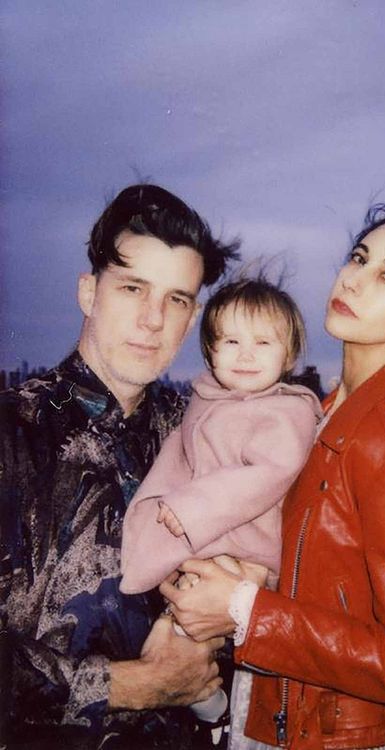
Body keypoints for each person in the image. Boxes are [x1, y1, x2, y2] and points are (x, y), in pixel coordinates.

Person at [159, 205, 385, 749]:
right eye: (359, 258)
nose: (353, 279)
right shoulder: (323, 414)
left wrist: (245, 610)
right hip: (280, 714)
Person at [0, 183, 239, 750]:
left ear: (193, 318)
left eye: (176, 299)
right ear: (89, 292)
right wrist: (133, 685)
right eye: (133, 288)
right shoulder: (14, 434)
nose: (153, 319)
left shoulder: (206, 436)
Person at [119, 277, 322, 742]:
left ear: (289, 356)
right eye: (231, 341)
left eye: (263, 343)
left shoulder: (286, 410)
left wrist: (190, 506)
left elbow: (270, 471)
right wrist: (159, 502)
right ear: (211, 352)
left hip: (248, 540)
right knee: (177, 614)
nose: (246, 355)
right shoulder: (207, 398)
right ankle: (203, 691)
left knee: (191, 611)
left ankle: (204, 694)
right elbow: (181, 455)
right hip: (212, 532)